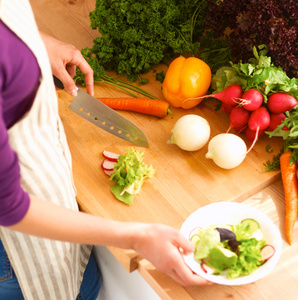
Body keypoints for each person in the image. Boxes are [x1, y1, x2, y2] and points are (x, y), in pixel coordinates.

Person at [0, 0, 210, 299]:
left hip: (52, 200)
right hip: (14, 249)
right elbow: (9, 207)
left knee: (84, 285)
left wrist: (34, 44)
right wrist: (135, 236)